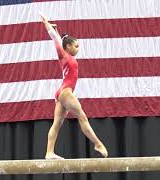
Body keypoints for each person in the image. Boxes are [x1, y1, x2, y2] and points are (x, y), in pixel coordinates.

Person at [40, 13, 108, 159]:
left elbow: (59, 38)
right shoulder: (64, 55)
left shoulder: (67, 57)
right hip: (65, 92)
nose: (78, 48)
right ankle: (98, 143)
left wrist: (55, 30)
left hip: (62, 92)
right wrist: (47, 24)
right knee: (82, 116)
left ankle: (49, 152)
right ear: (68, 46)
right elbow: (55, 40)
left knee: (57, 123)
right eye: (76, 46)